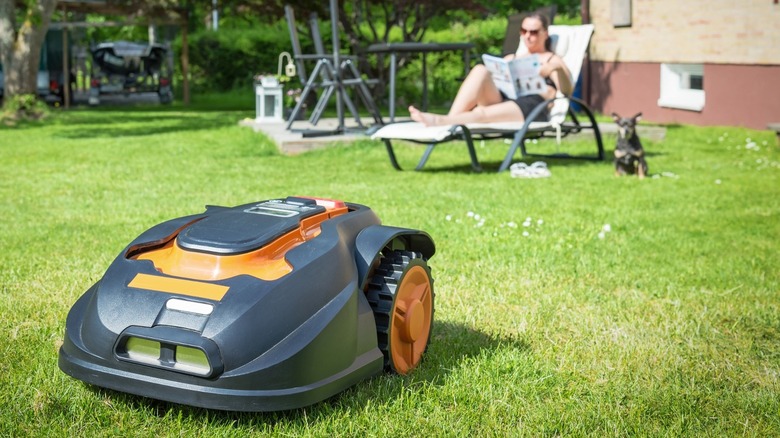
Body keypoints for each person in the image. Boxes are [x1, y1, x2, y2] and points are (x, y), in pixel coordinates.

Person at [409, 13, 572, 127]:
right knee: (480, 69)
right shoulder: (512, 59)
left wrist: (557, 69)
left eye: (534, 32)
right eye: (524, 31)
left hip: (530, 105)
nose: (527, 36)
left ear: (545, 33)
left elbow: (566, 91)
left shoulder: (552, 60)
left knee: (482, 114)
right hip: (505, 98)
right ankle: (450, 119)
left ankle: (441, 122)